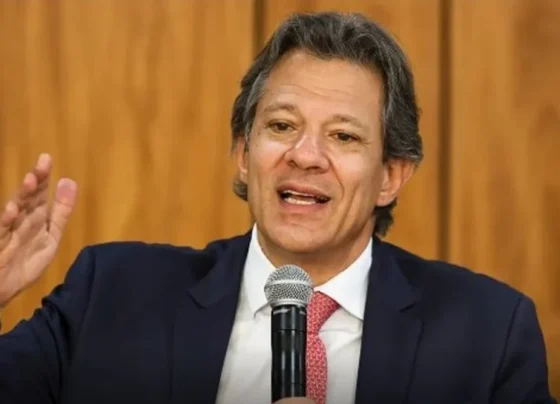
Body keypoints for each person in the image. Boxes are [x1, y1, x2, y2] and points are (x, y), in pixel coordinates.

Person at [0, 11, 555, 404]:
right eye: (283, 126)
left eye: (343, 136)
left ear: (391, 176)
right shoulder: (113, 292)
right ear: (244, 154)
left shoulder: (487, 333)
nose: (305, 155)